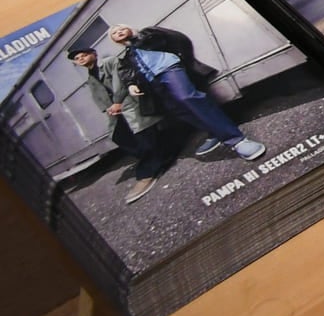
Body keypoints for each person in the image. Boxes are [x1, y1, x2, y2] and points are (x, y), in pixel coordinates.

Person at [106, 25, 265, 162]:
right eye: (114, 32)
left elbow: (178, 39)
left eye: (121, 28)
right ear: (114, 40)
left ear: (129, 29)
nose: (118, 31)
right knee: (177, 110)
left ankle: (237, 140)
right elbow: (128, 74)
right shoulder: (128, 56)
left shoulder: (147, 34)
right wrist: (131, 84)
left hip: (169, 68)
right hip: (152, 81)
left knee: (187, 97)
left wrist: (182, 58)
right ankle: (215, 132)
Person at [71, 45, 176, 204]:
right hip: (116, 109)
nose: (80, 59)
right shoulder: (90, 78)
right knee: (118, 136)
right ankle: (158, 157)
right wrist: (107, 109)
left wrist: (118, 102)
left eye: (83, 55)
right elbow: (97, 96)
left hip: (129, 101)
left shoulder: (110, 62)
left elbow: (121, 81)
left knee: (142, 134)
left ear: (94, 54)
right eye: (77, 59)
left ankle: (147, 173)